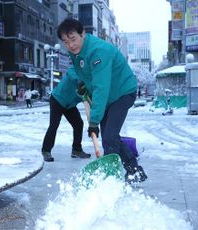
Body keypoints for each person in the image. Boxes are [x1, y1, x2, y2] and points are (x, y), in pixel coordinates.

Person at [57, 18, 147, 183]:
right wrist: (82, 84)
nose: (70, 45)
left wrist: (94, 121)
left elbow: (101, 87)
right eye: (65, 42)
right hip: (107, 96)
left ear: (83, 34)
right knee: (110, 137)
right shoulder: (76, 53)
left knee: (109, 138)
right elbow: (85, 74)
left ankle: (110, 180)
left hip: (122, 92)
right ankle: (135, 171)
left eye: (73, 39)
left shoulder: (99, 51)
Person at [41, 66, 91, 162]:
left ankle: (76, 150)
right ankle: (46, 151)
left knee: (78, 124)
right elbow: (71, 72)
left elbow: (90, 103)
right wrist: (80, 81)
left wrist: (93, 123)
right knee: (54, 125)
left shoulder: (90, 84)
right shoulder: (78, 68)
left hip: (69, 106)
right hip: (57, 99)